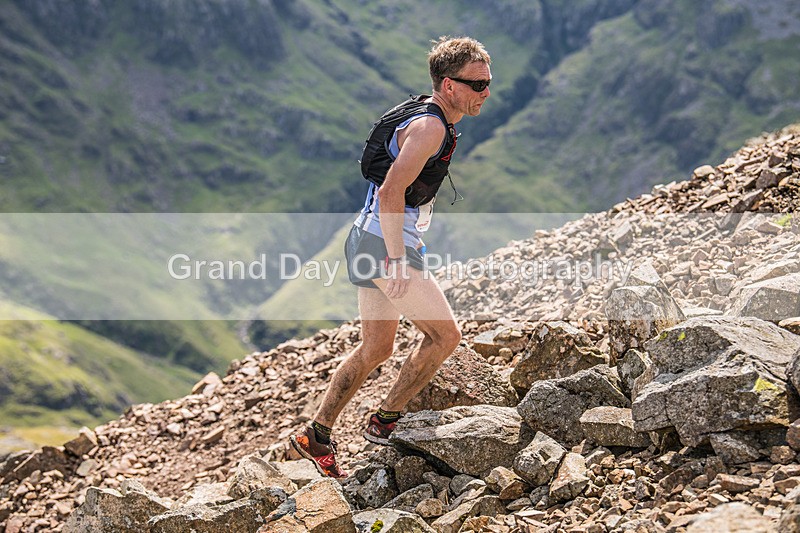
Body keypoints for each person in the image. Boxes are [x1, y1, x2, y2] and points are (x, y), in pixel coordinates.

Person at [291, 36, 492, 478]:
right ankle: (386, 422)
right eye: (477, 84)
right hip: (386, 246)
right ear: (449, 85)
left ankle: (316, 435)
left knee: (377, 347)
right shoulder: (431, 128)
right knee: (445, 337)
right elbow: (390, 192)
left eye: (488, 82)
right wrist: (399, 259)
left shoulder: (424, 111)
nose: (486, 92)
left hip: (366, 239)